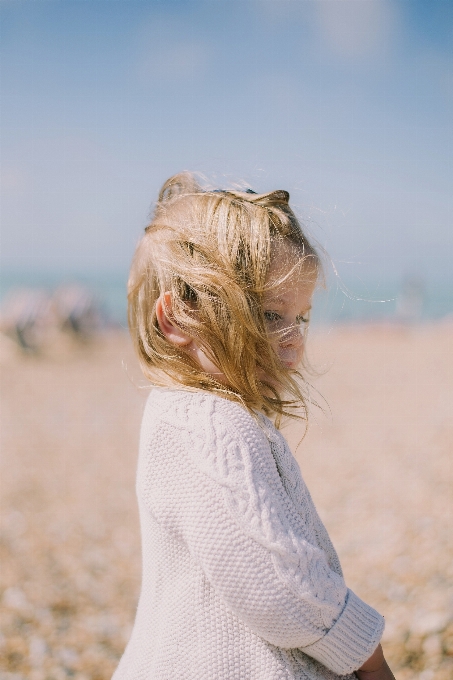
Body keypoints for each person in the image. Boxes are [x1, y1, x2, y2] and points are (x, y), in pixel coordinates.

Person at [113, 173, 395, 680]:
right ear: (177, 318)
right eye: (268, 315)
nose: (293, 341)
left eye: (301, 318)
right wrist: (368, 657)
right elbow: (282, 587)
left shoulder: (190, 413)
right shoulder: (209, 424)